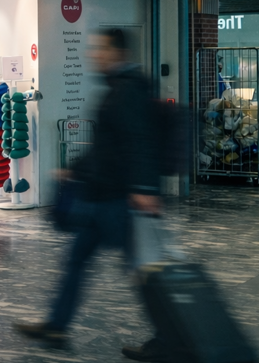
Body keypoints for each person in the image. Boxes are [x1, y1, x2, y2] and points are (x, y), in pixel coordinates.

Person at [14, 28, 164, 360]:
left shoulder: (128, 91)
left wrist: (143, 189)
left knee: (140, 272)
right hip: (101, 197)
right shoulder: (116, 89)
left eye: (100, 49)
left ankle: (168, 338)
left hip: (120, 202)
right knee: (78, 261)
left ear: (117, 53)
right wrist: (75, 170)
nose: (93, 54)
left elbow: (140, 143)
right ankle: (56, 325)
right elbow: (106, 147)